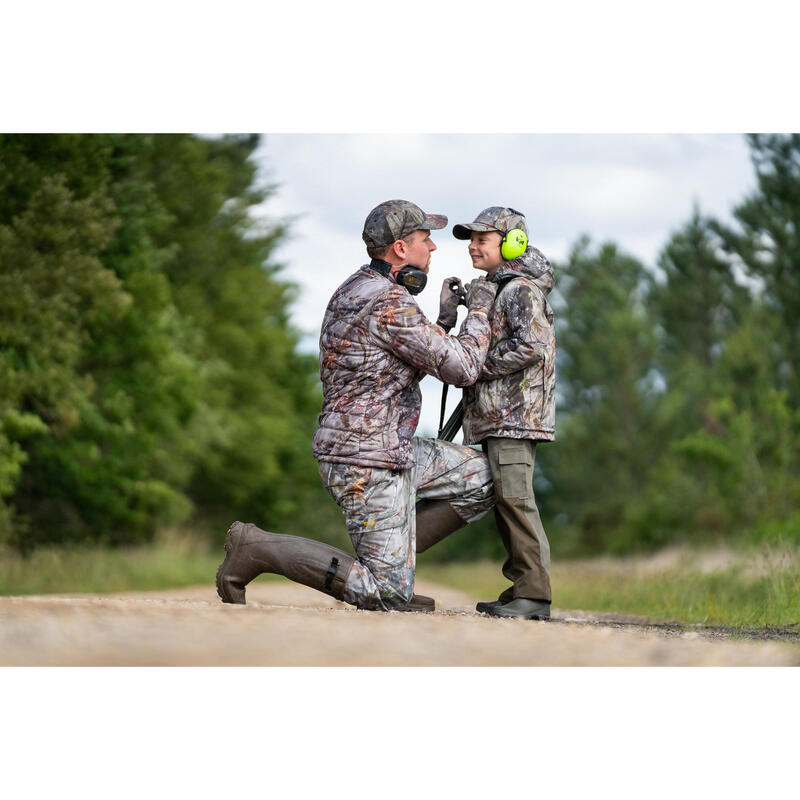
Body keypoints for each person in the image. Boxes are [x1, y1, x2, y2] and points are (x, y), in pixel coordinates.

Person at [216, 199, 498, 612]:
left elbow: (392, 368)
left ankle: (394, 560)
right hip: (365, 460)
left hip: (389, 447)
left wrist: (440, 322)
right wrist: (479, 307)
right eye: (425, 238)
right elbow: (463, 367)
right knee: (385, 594)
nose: (433, 248)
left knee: (486, 477)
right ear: (400, 249)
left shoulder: (356, 288)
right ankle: (255, 548)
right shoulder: (389, 303)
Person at [452, 207, 556, 620]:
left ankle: (535, 594)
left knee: (516, 499)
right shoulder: (498, 289)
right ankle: (521, 588)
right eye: (471, 239)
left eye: (482, 239)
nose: (473, 246)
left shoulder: (519, 290)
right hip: (497, 416)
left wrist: (480, 366)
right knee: (504, 501)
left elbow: (532, 344)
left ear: (512, 244)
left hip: (513, 417)